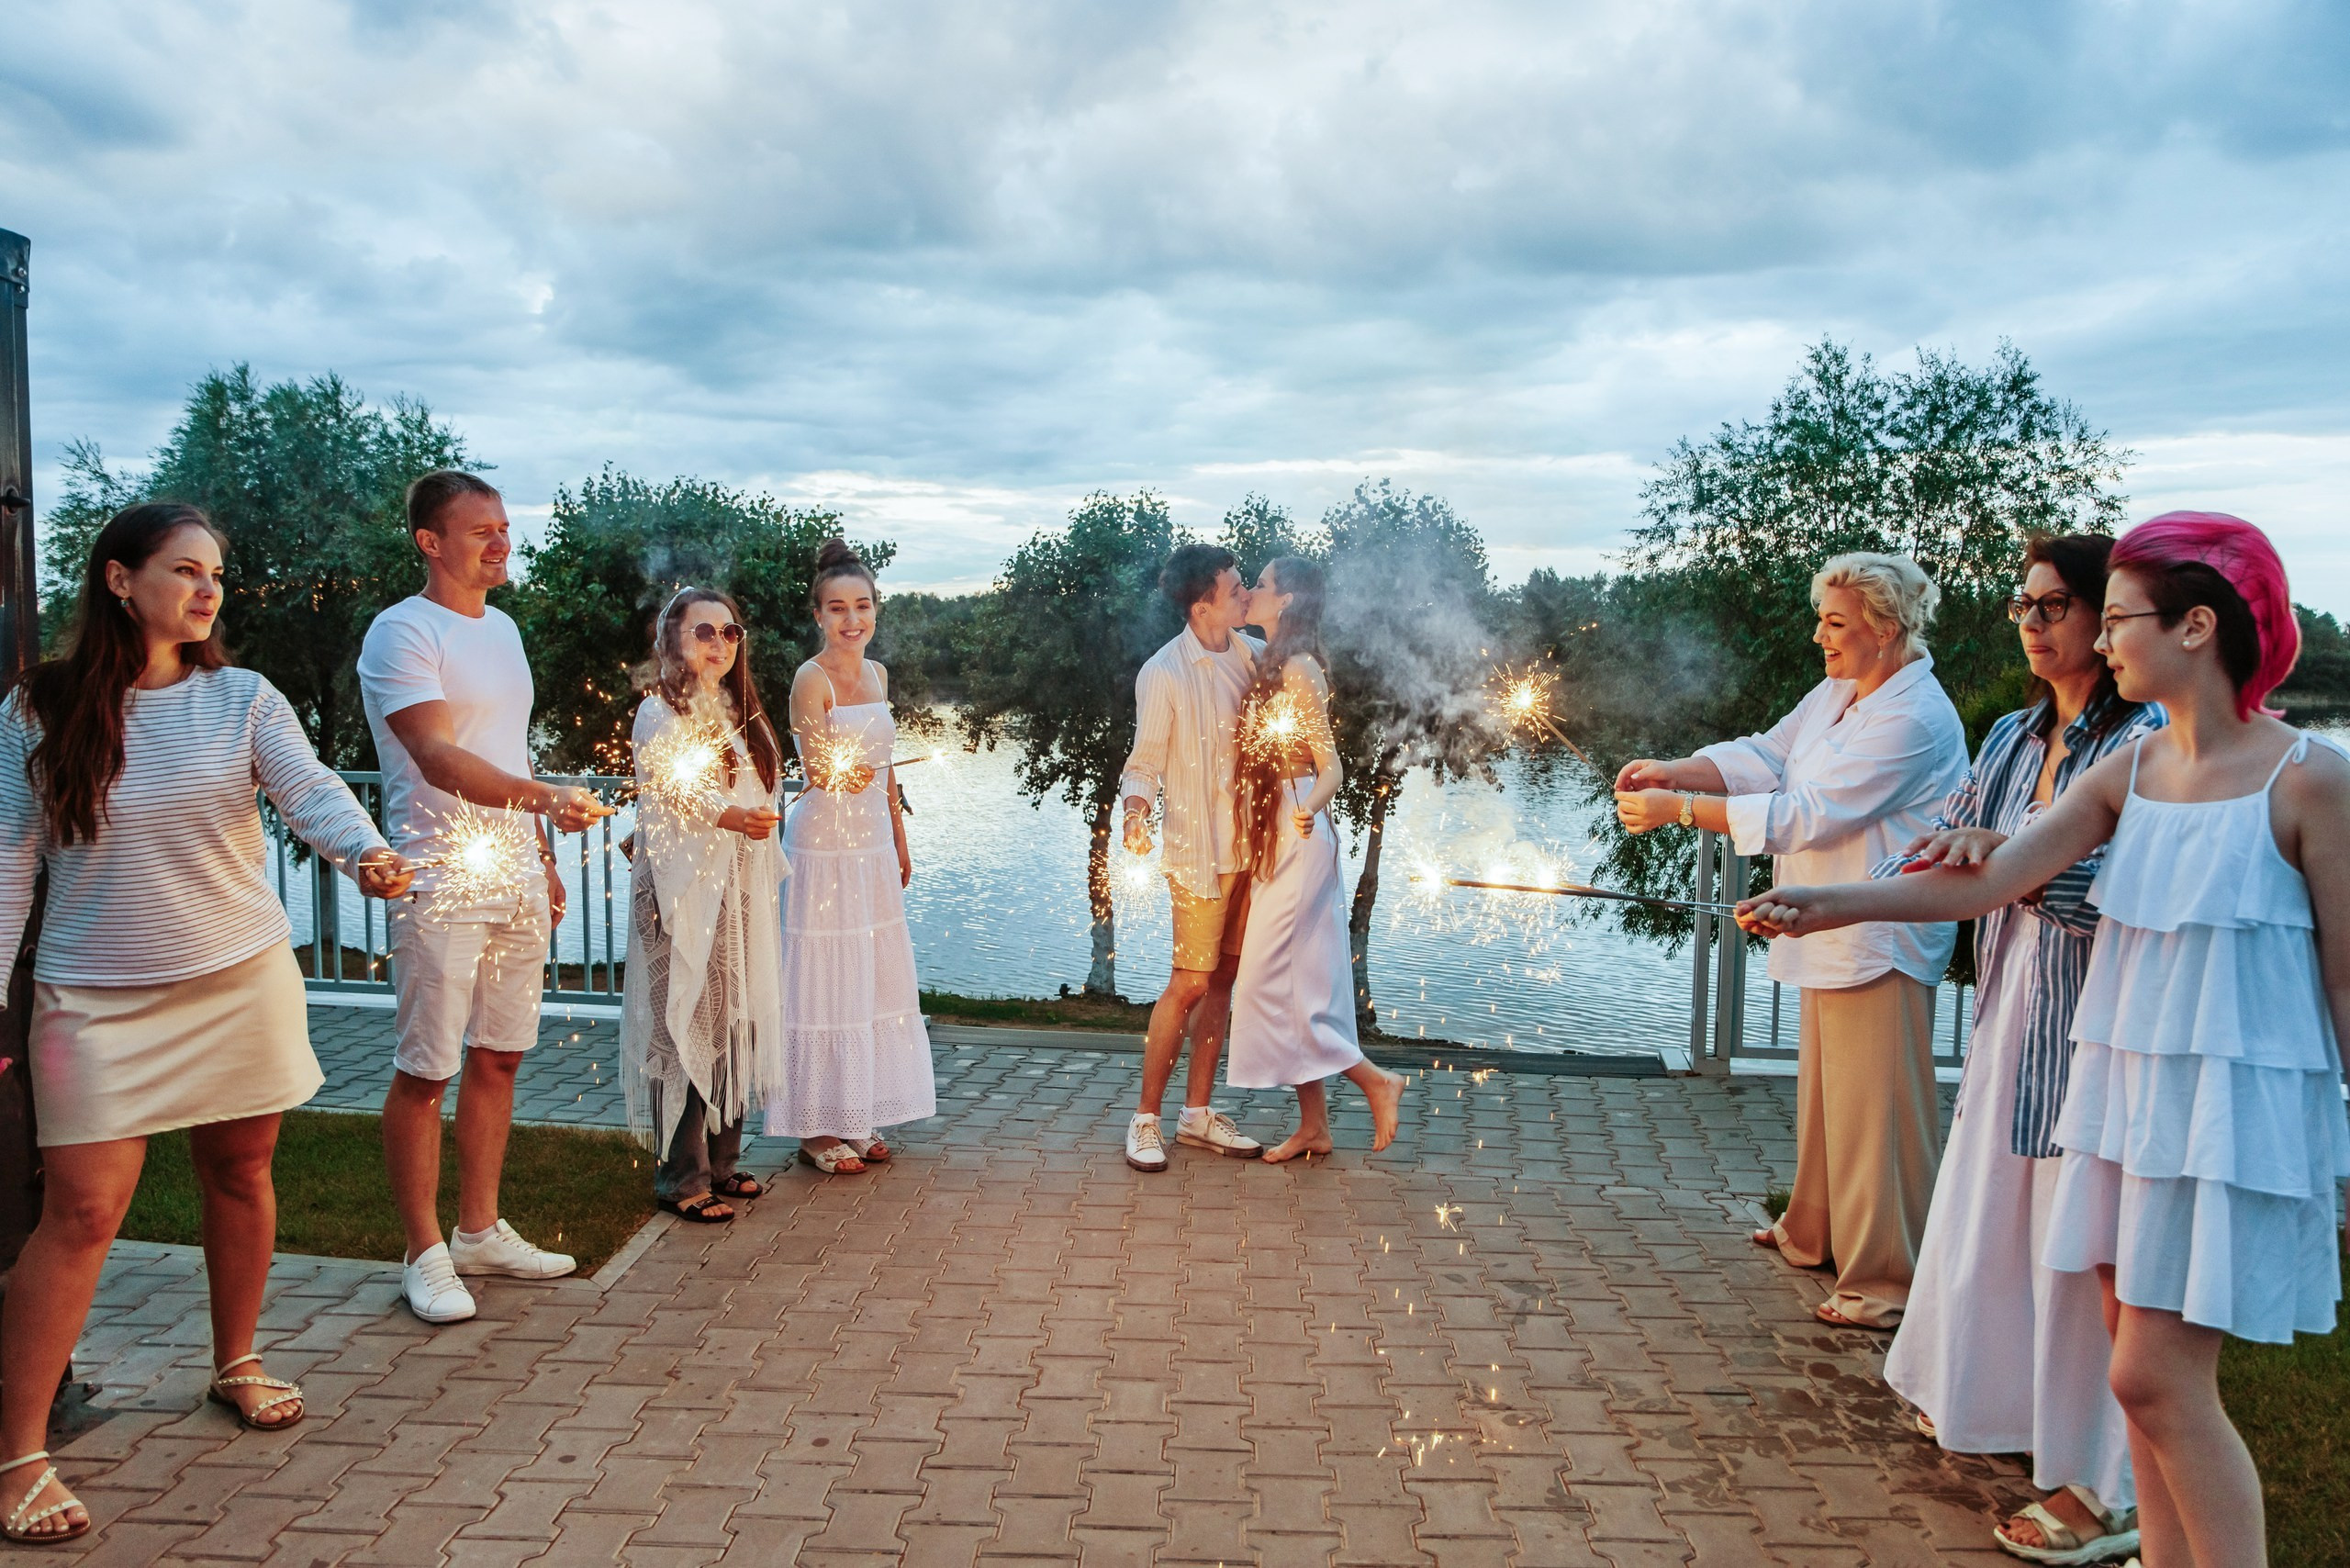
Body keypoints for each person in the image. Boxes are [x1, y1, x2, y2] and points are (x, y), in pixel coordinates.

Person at [1738, 513, 2350, 1568]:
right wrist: (1817, 905)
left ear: (2197, 626)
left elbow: (2345, 977)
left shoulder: (2308, 779)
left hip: (2221, 1118)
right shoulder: (2128, 771)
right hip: (2117, 1099)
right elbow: (1989, 877)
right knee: (2137, 1375)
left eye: (2115, 619)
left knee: (2156, 1378)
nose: (2101, 640)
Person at [0, 505, 414, 1544]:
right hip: (94, 996)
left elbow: (310, 790)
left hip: (238, 977)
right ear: (117, 580)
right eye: (184, 570)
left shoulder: (241, 697)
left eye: (216, 573)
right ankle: (16, 1452)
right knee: (83, 1214)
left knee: (242, 1170)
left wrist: (363, 853)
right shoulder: (35, 709)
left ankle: (236, 1361)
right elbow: (9, 863)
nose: (207, 589)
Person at [1876, 536, 2158, 1565]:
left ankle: (2108, 1485)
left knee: (2088, 1249)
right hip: (2011, 1005)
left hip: (2106, 1024)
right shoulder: (2007, 733)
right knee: (1995, 1216)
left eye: (2056, 605)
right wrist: (1943, 859)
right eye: (2021, 605)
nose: (2034, 623)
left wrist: (2012, 867)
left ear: (2106, 617)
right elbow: (1954, 841)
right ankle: (1992, 1402)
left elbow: (2126, 886)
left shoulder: (2156, 740)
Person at [1616, 552, 1967, 1328]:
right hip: (1824, 922)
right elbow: (1771, 755)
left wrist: (1680, 810)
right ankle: (1811, 1231)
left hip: (1879, 930)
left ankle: (1886, 1281)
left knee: (1879, 1115)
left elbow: (1809, 812)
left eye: (1836, 623)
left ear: (1886, 627)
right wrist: (1680, 771)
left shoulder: (1914, 715)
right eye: (1823, 620)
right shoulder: (1843, 690)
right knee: (1824, 1101)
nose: (1820, 637)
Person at [357, 471, 611, 1324]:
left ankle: (480, 1232)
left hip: (510, 868)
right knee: (427, 1067)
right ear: (430, 542)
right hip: (438, 874)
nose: (501, 543)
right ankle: (423, 1252)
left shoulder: (502, 629)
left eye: (505, 528)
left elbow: (509, 748)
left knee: (500, 1055)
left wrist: (539, 852)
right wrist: (546, 802)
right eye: (481, 532)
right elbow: (435, 755)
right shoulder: (400, 632)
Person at [1224, 557, 1407, 1161]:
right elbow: (1216, 630)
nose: (1252, 589)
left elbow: (1332, 766)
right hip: (1276, 823)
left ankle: (1375, 1080)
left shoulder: (1300, 670)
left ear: (1289, 600)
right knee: (1297, 982)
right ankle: (1315, 1126)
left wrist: (1308, 809)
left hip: (1299, 825)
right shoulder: (1266, 659)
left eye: (1263, 584)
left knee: (1262, 981)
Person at [767, 540, 934, 1172]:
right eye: (837, 609)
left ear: (875, 611)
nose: (852, 620)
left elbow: (886, 771)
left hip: (869, 846)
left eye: (862, 606)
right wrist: (851, 773)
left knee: (869, 975)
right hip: (824, 846)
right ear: (818, 615)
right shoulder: (811, 679)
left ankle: (857, 1114)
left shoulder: (879, 675)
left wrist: (898, 838)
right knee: (824, 977)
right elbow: (813, 770)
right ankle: (814, 1128)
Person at [620, 588, 787, 1223]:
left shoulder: (745, 715)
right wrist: (732, 814)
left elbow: (760, 789)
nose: (720, 644)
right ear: (673, 642)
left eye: (730, 632)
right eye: (704, 632)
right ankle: (681, 1175)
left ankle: (724, 1160)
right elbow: (677, 790)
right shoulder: (659, 713)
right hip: (681, 890)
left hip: (738, 891)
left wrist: (762, 816)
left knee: (733, 1017)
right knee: (685, 1014)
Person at [1118, 543, 1267, 1171]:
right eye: (1234, 587)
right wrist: (1134, 811)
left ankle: (1198, 1116)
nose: (1244, 595)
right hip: (1196, 850)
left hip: (1252, 847)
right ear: (1202, 601)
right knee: (1189, 983)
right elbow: (1145, 761)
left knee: (1225, 982)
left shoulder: (1257, 659)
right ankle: (1145, 1121)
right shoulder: (1163, 673)